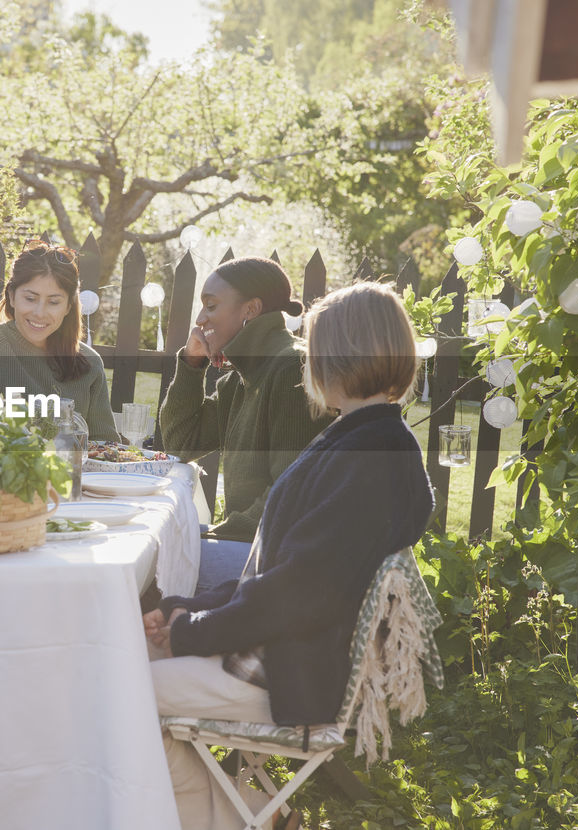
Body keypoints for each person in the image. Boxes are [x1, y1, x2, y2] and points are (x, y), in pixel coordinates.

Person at [144, 281, 435, 830]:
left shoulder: (368, 456)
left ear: (338, 356)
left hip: (285, 673)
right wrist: (189, 606)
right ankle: (254, 815)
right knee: (121, 654)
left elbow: (299, 591)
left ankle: (236, 819)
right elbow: (281, 569)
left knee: (114, 688)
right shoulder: (360, 439)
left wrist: (193, 632)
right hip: (275, 652)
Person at [158, 256, 332, 594]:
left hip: (281, 560)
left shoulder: (291, 369)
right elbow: (180, 444)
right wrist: (191, 365)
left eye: (210, 306)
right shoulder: (239, 381)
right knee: (156, 551)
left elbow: (289, 497)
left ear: (250, 310)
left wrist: (212, 533)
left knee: (157, 566)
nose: (200, 319)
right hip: (247, 542)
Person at [0, 240, 118, 441]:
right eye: (30, 298)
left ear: (68, 307)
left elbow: (105, 447)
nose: (39, 313)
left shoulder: (90, 363)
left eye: (54, 302)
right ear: (12, 296)